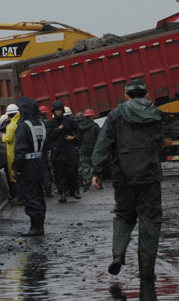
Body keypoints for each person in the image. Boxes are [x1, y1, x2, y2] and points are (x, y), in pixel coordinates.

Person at [91, 79, 163, 281]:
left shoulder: (115, 115)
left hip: (123, 178)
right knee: (150, 222)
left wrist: (97, 170)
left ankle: (118, 255)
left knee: (124, 216)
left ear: (126, 95)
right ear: (146, 94)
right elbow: (160, 144)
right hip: (149, 178)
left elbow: (103, 143)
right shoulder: (156, 114)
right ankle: (147, 272)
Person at [12, 97, 48, 236]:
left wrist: (16, 168)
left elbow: (20, 150)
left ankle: (35, 227)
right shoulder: (41, 124)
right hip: (39, 164)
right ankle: (39, 225)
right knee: (38, 195)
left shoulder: (23, 126)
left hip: (27, 167)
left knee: (29, 195)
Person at [47, 101, 82, 202]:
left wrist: (74, 138)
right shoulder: (50, 123)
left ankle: (74, 191)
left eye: (60, 110)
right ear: (53, 111)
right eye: (56, 110)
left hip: (69, 151)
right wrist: (58, 129)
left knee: (72, 171)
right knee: (59, 173)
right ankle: (62, 193)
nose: (58, 112)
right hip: (57, 152)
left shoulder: (69, 121)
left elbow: (79, 131)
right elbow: (49, 135)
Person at [76, 109, 101, 192]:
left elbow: (78, 138)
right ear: (92, 116)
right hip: (94, 149)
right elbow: (100, 138)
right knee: (96, 165)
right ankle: (98, 183)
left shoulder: (79, 127)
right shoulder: (95, 126)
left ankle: (86, 184)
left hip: (84, 149)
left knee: (85, 166)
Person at [2, 104, 20, 201]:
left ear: (9, 116)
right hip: (20, 153)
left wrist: (3, 136)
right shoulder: (21, 124)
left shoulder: (10, 126)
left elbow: (8, 139)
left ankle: (18, 197)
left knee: (13, 175)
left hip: (12, 154)